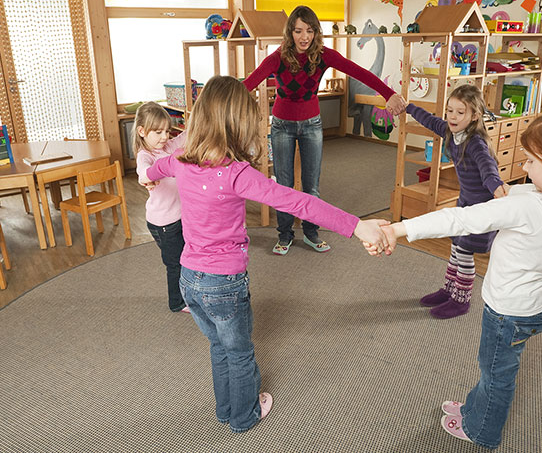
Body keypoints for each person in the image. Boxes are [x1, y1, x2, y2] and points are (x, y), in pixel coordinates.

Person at [140, 76, 389, 433]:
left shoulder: (180, 159)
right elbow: (299, 201)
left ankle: (225, 409)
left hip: (190, 279)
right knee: (239, 352)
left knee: (218, 345)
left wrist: (147, 176)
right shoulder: (236, 173)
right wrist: (356, 225)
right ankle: (243, 416)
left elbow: (156, 168)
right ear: (240, 123)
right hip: (224, 283)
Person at [367, 107, 542, 449]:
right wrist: (502, 189)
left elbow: (459, 220)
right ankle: (474, 408)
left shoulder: (531, 208)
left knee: (496, 375)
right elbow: (523, 196)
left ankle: (481, 430)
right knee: (497, 369)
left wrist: (398, 228)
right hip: (536, 304)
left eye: (530, 162)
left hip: (509, 312)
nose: (524, 168)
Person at [243, 5, 407, 256]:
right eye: (298, 31)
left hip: (312, 125)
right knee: (283, 186)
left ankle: (310, 232)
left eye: (309, 30)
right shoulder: (276, 58)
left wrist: (389, 93)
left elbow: (359, 72)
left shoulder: (323, 55)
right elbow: (248, 85)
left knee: (312, 185)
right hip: (281, 126)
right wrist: (215, 102)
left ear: (316, 32)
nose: (304, 37)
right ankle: (285, 234)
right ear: (290, 33)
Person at [404, 85, 508, 319]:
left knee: (464, 251)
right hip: (465, 203)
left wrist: (496, 187)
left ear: (474, 116)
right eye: (450, 110)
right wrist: (408, 107)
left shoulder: (475, 143)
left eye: (460, 112)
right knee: (455, 246)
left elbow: (488, 168)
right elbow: (430, 120)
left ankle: (461, 300)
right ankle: (449, 290)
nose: (452, 116)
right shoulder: (452, 132)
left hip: (481, 209)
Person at [133, 102, 190, 313]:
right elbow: (143, 171)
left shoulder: (167, 147)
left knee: (185, 258)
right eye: (158, 132)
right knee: (175, 263)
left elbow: (185, 136)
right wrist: (148, 177)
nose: (165, 136)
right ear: (142, 131)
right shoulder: (145, 155)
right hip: (163, 223)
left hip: (179, 217)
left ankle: (188, 294)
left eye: (167, 131)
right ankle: (177, 302)